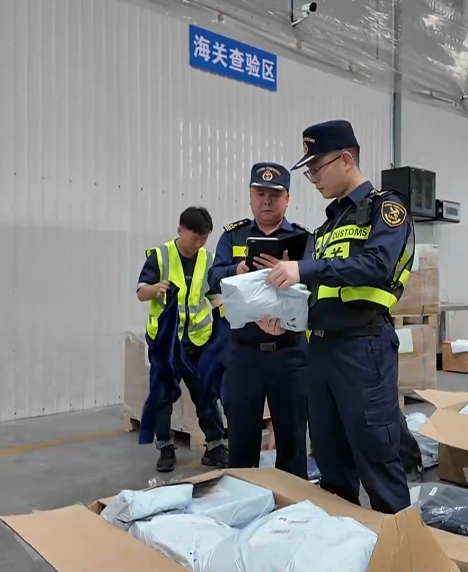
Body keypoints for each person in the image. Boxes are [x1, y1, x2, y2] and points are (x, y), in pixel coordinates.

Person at [265, 120, 415, 514]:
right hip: (319, 351)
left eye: (316, 167)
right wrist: (283, 319)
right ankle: (344, 538)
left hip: (363, 348)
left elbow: (377, 265)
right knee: (329, 455)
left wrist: (303, 269)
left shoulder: (386, 209)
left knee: (375, 453)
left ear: (346, 160)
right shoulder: (325, 229)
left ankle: (400, 542)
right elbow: (313, 292)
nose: (313, 178)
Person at [208, 163, 310, 479]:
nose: (267, 201)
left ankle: (292, 502)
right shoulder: (233, 236)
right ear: (250, 196)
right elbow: (213, 278)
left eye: (275, 194)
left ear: (287, 198)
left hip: (289, 353)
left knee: (292, 441)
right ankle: (243, 496)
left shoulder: (303, 239)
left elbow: (315, 287)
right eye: (260, 193)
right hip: (244, 354)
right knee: (241, 441)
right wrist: (237, 270)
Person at [136, 206, 229, 472]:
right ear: (180, 230)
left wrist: (227, 320)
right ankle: (165, 448)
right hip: (166, 343)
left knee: (207, 394)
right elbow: (141, 292)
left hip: (199, 342)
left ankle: (215, 446)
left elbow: (214, 296)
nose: (198, 244)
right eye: (194, 238)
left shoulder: (208, 260)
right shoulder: (160, 256)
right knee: (163, 397)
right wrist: (155, 289)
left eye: (203, 239)